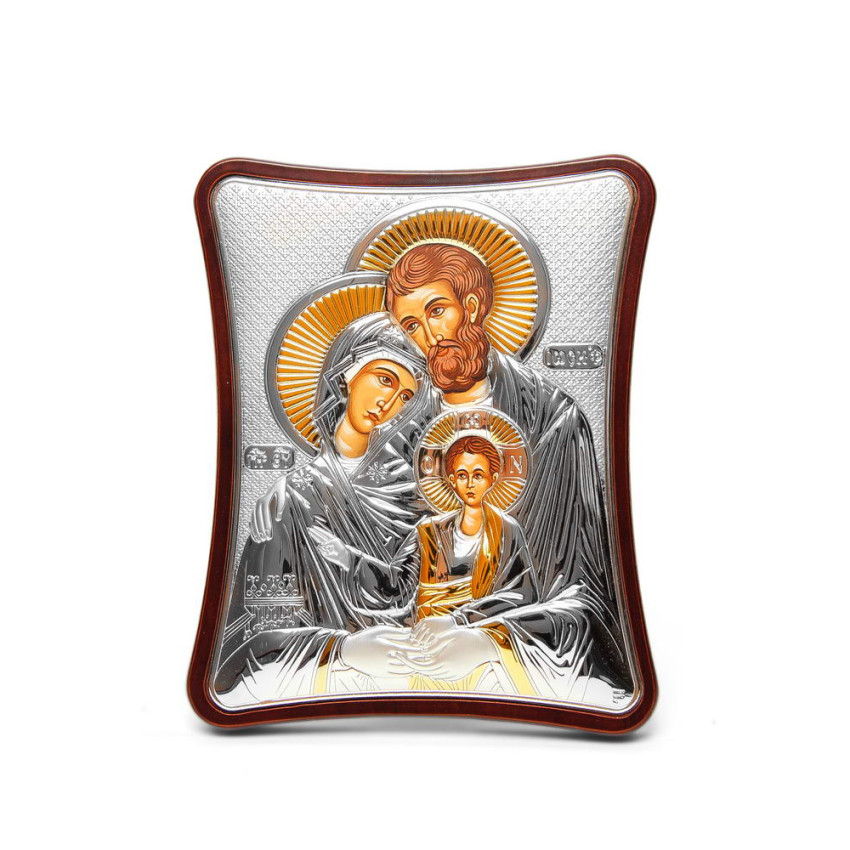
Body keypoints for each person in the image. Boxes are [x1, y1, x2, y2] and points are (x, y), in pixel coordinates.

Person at [384, 243, 633, 693]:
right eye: (412, 325)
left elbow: (581, 593)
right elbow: (386, 579)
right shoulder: (401, 434)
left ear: (472, 305)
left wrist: (486, 639)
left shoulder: (552, 420)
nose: (430, 335)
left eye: (437, 310)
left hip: (509, 661)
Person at [215, 313, 430, 705]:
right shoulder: (292, 498)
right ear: (347, 373)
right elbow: (258, 632)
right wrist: (342, 650)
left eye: (405, 397)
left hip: (411, 675)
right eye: (384, 379)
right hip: (320, 684)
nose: (388, 403)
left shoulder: (413, 493)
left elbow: (422, 593)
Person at [312, 434, 539, 693]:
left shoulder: (507, 531)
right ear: (451, 480)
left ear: (493, 478)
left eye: (478, 475)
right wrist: (348, 558)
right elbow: (396, 586)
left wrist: (458, 620)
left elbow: (522, 595)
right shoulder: (429, 532)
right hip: (424, 642)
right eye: (462, 475)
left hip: (474, 648)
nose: (470, 484)